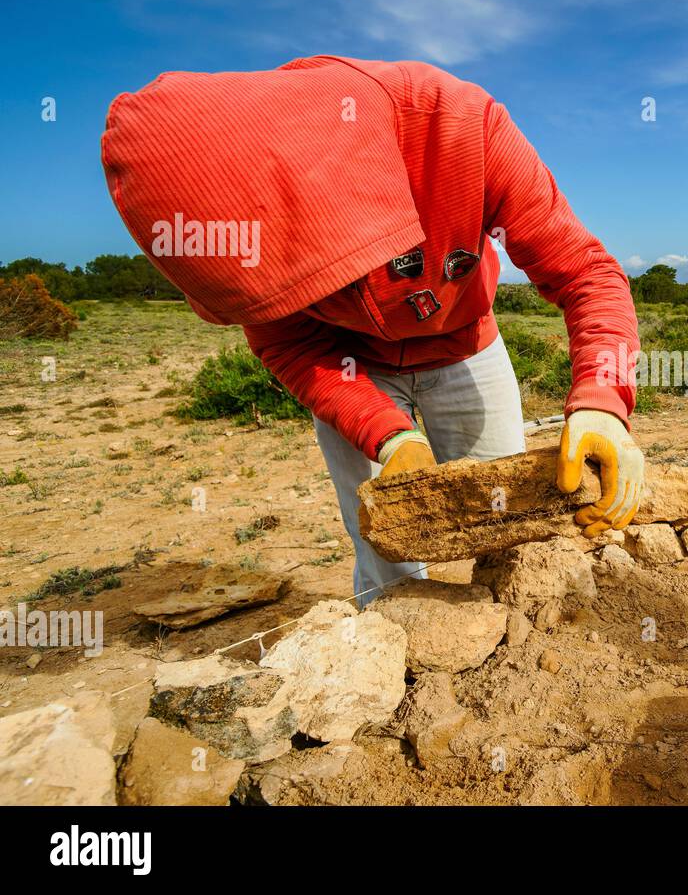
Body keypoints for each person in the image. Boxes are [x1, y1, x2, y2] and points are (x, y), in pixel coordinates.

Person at [101, 55, 644, 606]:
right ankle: (393, 644)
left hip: (466, 346)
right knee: (381, 535)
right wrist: (389, 436)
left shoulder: (457, 127)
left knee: (509, 515)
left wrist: (602, 400)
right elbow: (288, 342)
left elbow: (585, 273)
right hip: (349, 368)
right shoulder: (233, 240)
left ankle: (515, 634)